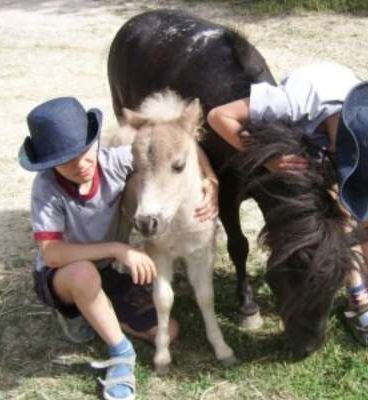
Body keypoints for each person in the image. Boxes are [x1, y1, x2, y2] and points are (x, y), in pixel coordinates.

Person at [18, 97, 218, 399]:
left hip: (107, 271)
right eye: (67, 160)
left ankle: (95, 313)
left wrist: (211, 179)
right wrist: (117, 249)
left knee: (170, 330)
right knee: (84, 276)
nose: (82, 164)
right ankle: (121, 354)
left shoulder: (112, 162)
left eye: (85, 152)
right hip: (64, 273)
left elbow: (181, 145)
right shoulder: (46, 189)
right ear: (48, 163)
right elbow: (51, 253)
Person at [207, 61, 368, 347]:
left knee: (367, 211)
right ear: (334, 150)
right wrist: (268, 160)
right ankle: (357, 293)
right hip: (313, 115)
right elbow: (218, 116)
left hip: (337, 109)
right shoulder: (291, 103)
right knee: (338, 213)